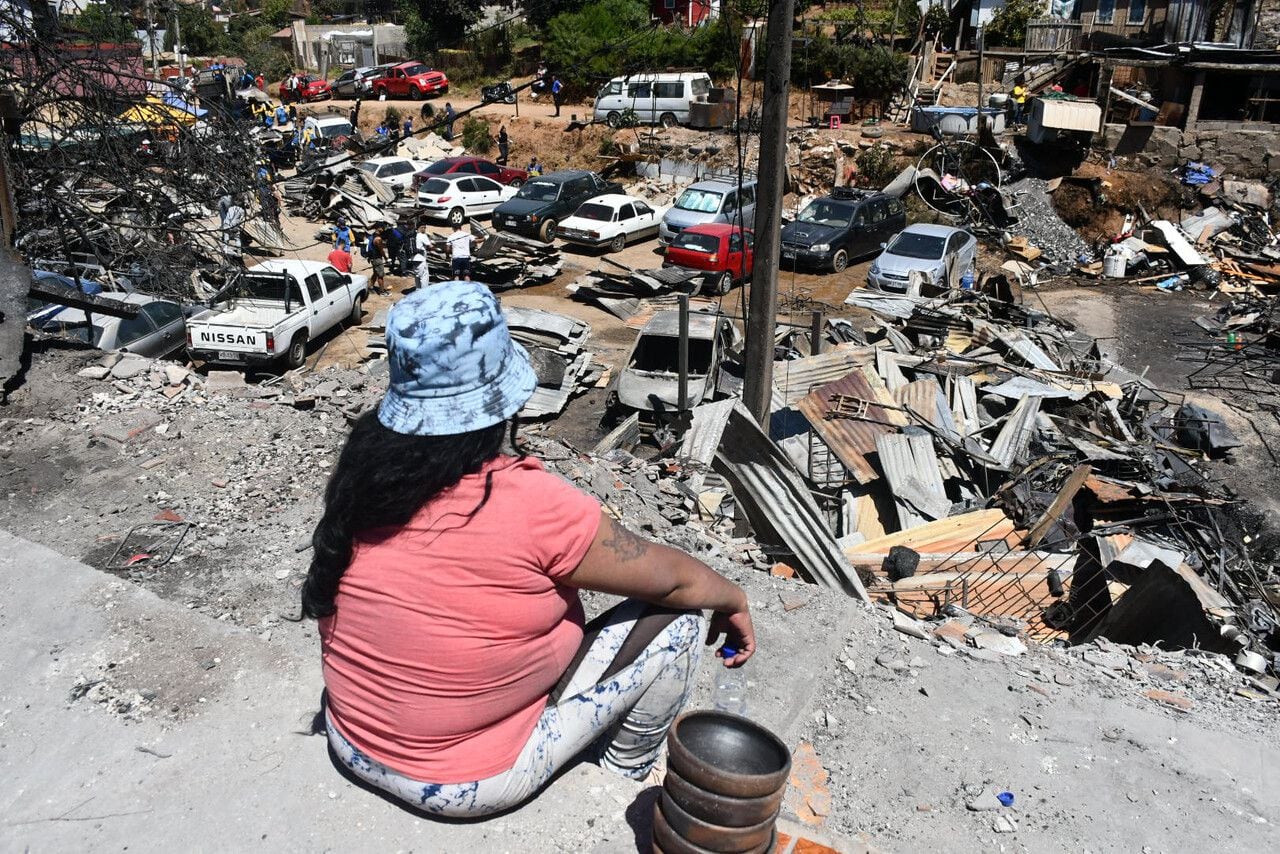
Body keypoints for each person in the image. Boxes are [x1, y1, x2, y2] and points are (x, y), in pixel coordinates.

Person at [303, 280, 754, 818]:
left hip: (351, 740)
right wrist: (734, 599)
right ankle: (618, 780)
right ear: (503, 400)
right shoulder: (527, 500)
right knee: (678, 620)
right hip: (464, 781)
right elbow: (676, 580)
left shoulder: (365, 477)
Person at [412, 222, 431, 289]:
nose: (425, 229)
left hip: (413, 259)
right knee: (424, 279)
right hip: (421, 259)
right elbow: (430, 246)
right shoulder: (422, 235)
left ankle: (418, 293)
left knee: (417, 277)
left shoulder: (413, 235)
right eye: (424, 227)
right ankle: (424, 295)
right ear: (421, 227)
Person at [369, 229, 388, 294]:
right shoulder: (378, 239)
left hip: (372, 258)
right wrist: (386, 258)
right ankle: (382, 292)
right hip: (377, 259)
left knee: (375, 273)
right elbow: (381, 250)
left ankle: (371, 287)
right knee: (380, 275)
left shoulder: (372, 236)